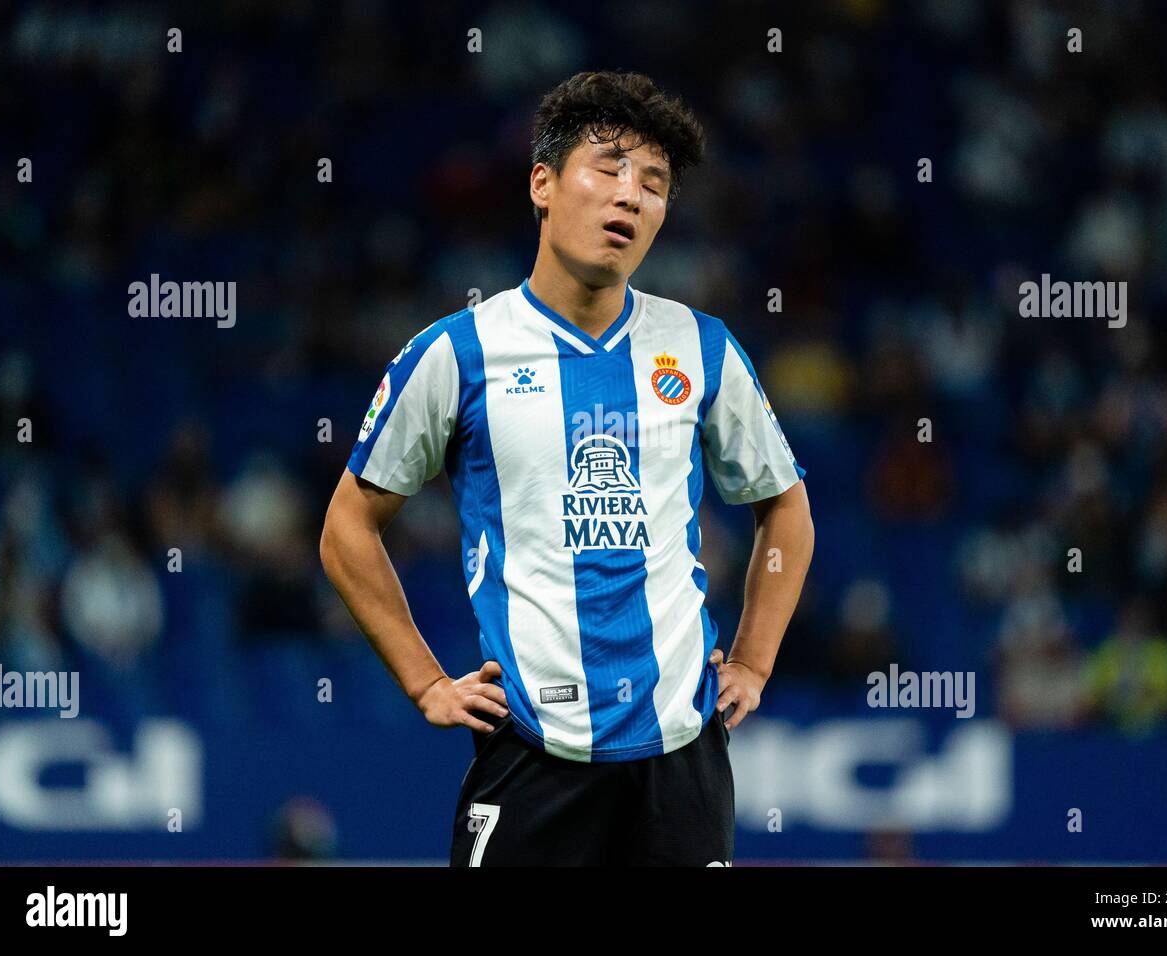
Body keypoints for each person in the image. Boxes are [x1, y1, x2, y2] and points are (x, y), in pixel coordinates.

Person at [320, 70, 813, 866]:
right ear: (542, 184)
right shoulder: (457, 352)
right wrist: (425, 683)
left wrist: (754, 659)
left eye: (653, 185)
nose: (631, 197)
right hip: (531, 761)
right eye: (609, 169)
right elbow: (347, 526)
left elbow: (784, 506)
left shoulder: (702, 347)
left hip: (680, 761)